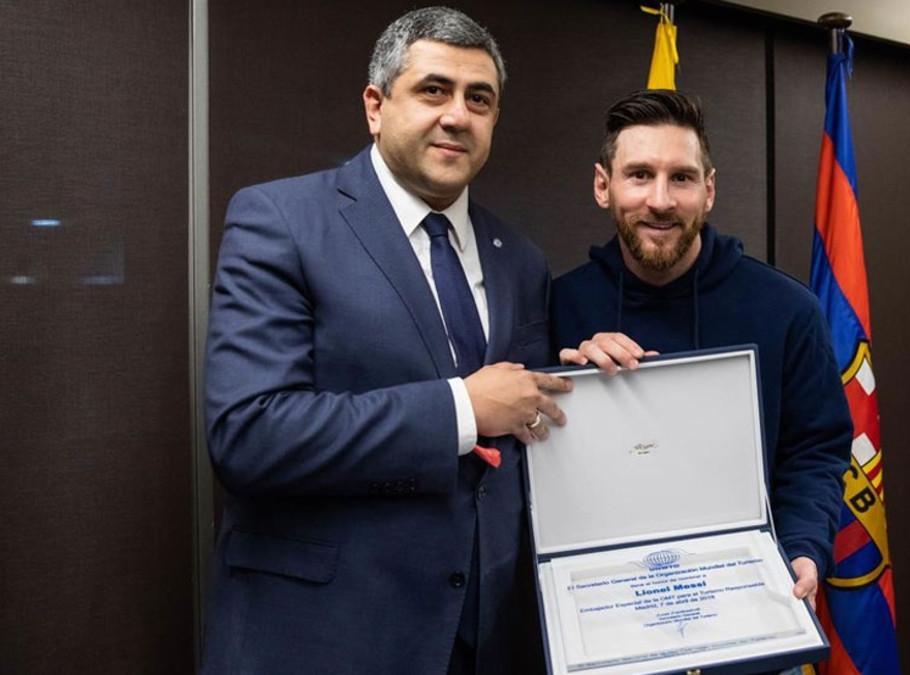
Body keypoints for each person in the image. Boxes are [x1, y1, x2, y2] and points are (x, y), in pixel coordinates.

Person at [201, 8, 568, 674]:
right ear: (375, 105)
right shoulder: (280, 221)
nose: (457, 114)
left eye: (478, 99)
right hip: (324, 639)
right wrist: (463, 408)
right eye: (434, 90)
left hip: (484, 641)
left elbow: (524, 423)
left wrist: (588, 372)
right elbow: (249, 433)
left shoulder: (520, 258)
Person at [551, 89, 852, 613]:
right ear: (604, 186)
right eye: (639, 174)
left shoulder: (788, 310)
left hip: (746, 597)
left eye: (682, 178)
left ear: (708, 190)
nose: (662, 200)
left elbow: (815, 450)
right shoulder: (555, 309)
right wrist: (564, 381)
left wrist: (803, 545)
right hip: (604, 608)